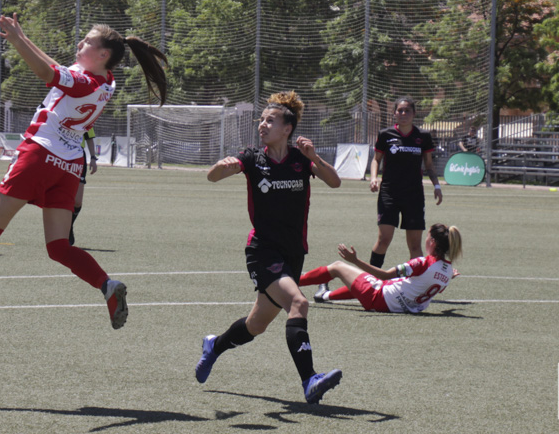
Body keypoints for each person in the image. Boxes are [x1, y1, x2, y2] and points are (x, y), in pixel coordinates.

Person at [0, 15, 168, 331]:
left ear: (102, 55)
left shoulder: (83, 81)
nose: (79, 43)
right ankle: (106, 285)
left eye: (87, 41)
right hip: (70, 166)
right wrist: (23, 36)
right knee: (59, 247)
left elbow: (48, 71)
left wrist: (18, 41)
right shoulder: (107, 81)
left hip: (39, 155)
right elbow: (57, 70)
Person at [195, 91, 345, 405]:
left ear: (287, 129)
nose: (262, 125)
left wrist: (315, 157)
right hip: (262, 252)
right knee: (298, 304)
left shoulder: (301, 160)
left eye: (270, 121)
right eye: (262, 120)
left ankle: (214, 346)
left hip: (294, 253)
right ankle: (310, 381)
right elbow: (212, 176)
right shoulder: (252, 158)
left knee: (256, 325)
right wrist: (222, 167)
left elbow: (335, 182)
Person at [303, 224, 462, 313]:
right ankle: (325, 295)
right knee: (366, 280)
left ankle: (292, 281)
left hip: (378, 299)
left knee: (337, 266)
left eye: (427, 237)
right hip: (399, 305)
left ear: (432, 242)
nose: (425, 241)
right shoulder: (448, 271)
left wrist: (355, 260)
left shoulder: (422, 262)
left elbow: (386, 275)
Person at [368, 97, 443, 267]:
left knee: (415, 245)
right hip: (389, 193)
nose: (403, 114)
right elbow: (376, 160)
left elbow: (429, 165)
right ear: (394, 113)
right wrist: (374, 178)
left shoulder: (423, 136)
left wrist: (437, 186)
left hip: (414, 195)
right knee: (383, 239)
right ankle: (371, 280)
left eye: (407, 110)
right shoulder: (385, 134)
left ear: (414, 114)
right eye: (399, 110)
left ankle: (416, 285)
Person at [69, 128, 97, 246]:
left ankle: (68, 226)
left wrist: (93, 158)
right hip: (60, 155)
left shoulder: (85, 118)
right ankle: (62, 228)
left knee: (77, 202)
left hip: (79, 156)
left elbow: (89, 138)